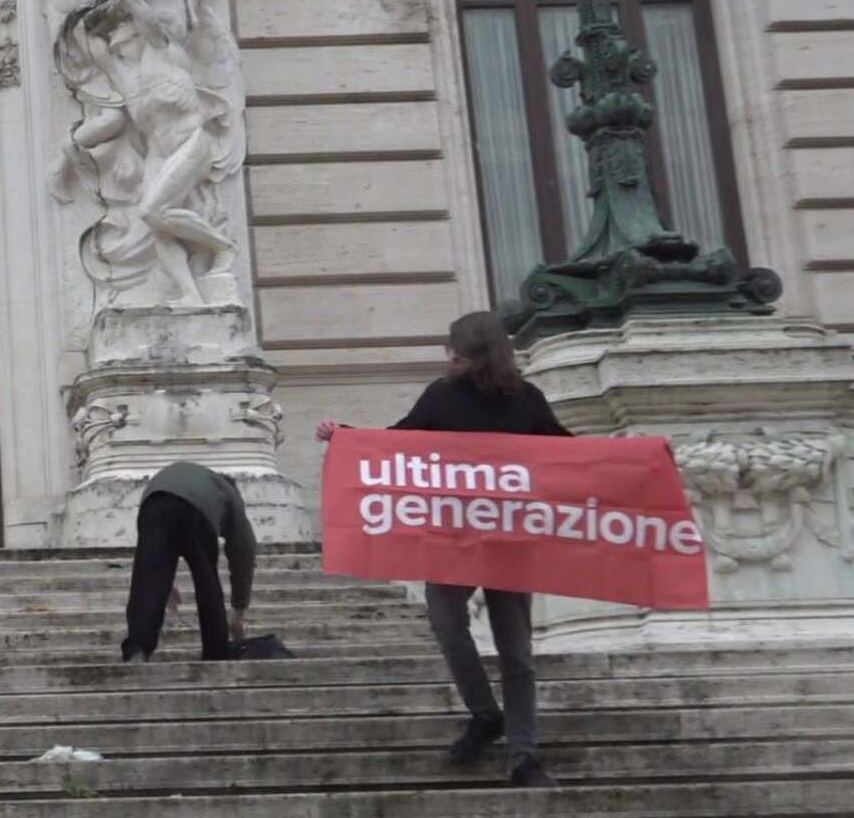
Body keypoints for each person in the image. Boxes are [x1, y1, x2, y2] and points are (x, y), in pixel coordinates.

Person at [316, 310, 572, 788]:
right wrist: (346, 437)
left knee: (517, 651)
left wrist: (636, 460)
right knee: (446, 620)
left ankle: (523, 754)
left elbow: (567, 452)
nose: (447, 353)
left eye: (454, 345)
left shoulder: (527, 400)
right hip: (455, 538)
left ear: (474, 350)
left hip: (510, 538)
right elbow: (398, 442)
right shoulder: (442, 396)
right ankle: (484, 713)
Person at [120, 462, 257, 664]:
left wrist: (163, 580)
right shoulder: (230, 494)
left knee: (146, 583)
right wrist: (239, 608)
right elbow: (243, 550)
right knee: (207, 581)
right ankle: (216, 652)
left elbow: (155, 552)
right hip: (196, 511)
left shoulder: (191, 478)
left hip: (153, 502)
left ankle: (137, 649)